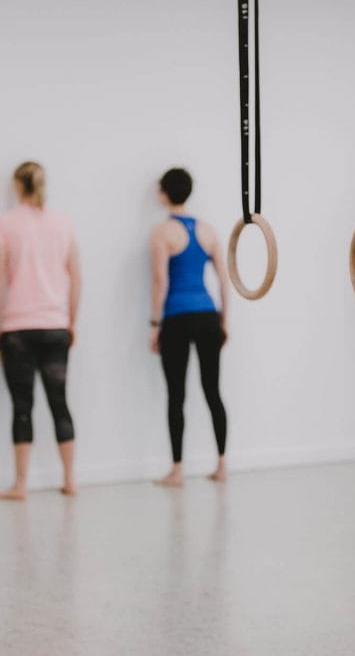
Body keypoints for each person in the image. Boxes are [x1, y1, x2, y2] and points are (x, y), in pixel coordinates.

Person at [0, 161, 81, 499]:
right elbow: (76, 276)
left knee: (22, 405)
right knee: (60, 402)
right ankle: (70, 479)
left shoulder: (5, 223)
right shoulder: (62, 223)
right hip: (56, 325)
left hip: (18, 327)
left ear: (17, 185)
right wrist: (71, 320)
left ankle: (21, 484)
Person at [149, 168, 230, 487]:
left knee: (176, 394)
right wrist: (225, 321)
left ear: (164, 193)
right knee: (213, 390)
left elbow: (160, 280)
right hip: (208, 314)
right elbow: (224, 280)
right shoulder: (208, 231)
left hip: (176, 317)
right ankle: (222, 465)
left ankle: (177, 470)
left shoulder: (161, 232)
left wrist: (155, 324)